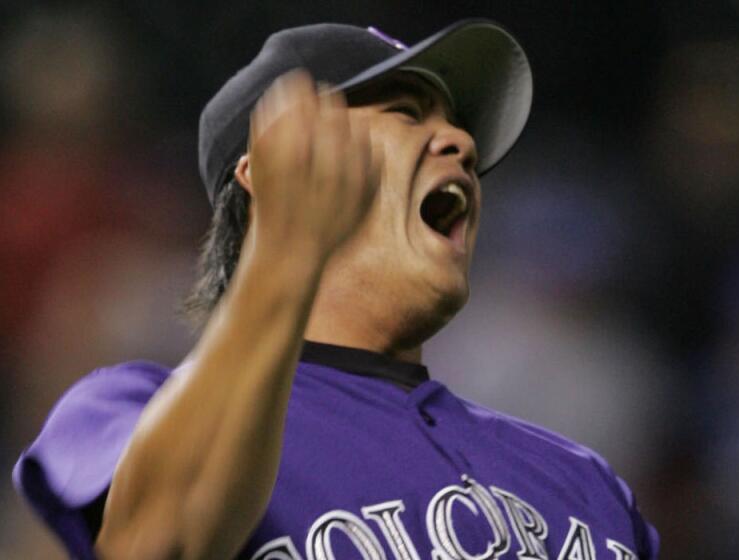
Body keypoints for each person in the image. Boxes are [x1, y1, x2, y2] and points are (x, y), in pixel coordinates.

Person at [13, 19, 659, 560]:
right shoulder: (124, 412)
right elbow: (162, 542)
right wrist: (289, 244)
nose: (463, 143)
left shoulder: (584, 483)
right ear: (261, 169)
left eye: (458, 126)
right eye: (407, 112)